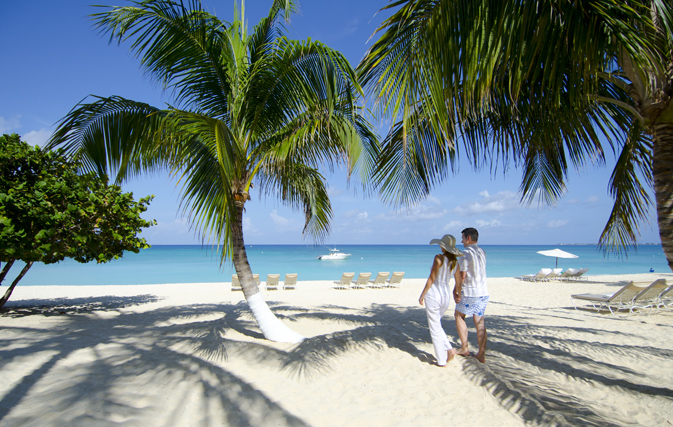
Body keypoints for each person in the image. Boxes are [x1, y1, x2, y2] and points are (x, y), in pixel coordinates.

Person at [419, 234, 464, 367]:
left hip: (434, 294)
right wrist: (458, 294)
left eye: (441, 244)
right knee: (437, 324)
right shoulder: (455, 262)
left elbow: (431, 279)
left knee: (434, 327)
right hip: (445, 295)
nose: (440, 246)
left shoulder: (438, 258)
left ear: (444, 246)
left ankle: (441, 360)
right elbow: (459, 282)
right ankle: (449, 350)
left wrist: (422, 295)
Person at [454, 227, 489, 363]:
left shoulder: (465, 253)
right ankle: (481, 353)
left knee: (459, 316)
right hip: (483, 292)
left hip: (470, 292)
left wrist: (456, 291)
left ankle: (464, 347)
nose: (461, 241)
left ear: (468, 238)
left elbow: (462, 276)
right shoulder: (482, 252)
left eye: (462, 238)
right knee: (479, 322)